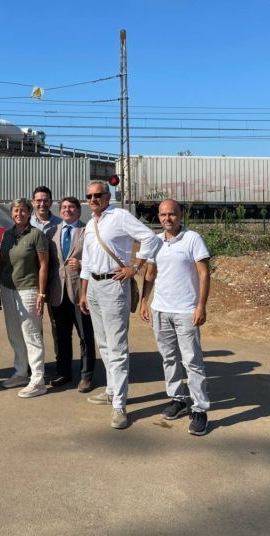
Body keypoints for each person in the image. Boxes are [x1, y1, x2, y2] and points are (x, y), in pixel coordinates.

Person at [79, 180, 159, 429]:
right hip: (94, 287)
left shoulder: (120, 216)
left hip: (114, 286)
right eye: (89, 196)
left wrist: (134, 267)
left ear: (107, 195)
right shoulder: (91, 223)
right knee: (104, 344)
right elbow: (87, 259)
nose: (93, 200)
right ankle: (112, 390)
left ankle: (119, 405)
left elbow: (150, 238)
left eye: (97, 195)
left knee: (117, 347)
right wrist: (84, 292)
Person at [140, 199, 211, 436]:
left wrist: (201, 306)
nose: (167, 218)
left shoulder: (193, 239)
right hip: (161, 310)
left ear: (180, 215)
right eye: (163, 215)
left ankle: (199, 409)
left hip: (186, 311)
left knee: (192, 361)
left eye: (171, 214)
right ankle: (178, 399)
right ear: (158, 217)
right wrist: (144, 301)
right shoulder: (156, 241)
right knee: (169, 358)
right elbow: (150, 274)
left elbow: (204, 274)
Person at [0, 198, 49, 398]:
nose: (19, 214)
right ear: (11, 213)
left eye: (23, 210)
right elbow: (1, 264)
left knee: (31, 335)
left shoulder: (36, 235)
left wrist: (41, 293)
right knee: (14, 333)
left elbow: (43, 266)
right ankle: (21, 372)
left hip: (29, 290)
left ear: (29, 212)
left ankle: (38, 380)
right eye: (16, 210)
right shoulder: (7, 235)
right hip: (8, 289)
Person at [47, 197, 96, 393]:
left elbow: (98, 258)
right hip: (58, 292)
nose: (67, 210)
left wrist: (82, 264)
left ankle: (86, 376)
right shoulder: (52, 232)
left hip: (80, 292)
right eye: (64, 207)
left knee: (85, 336)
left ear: (78, 211)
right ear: (60, 211)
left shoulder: (88, 230)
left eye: (71, 207)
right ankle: (63, 372)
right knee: (62, 335)